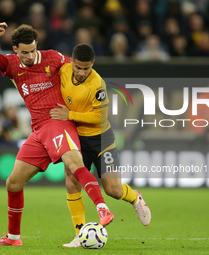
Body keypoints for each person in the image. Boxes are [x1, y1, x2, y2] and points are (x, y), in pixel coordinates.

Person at [0, 23, 114, 246]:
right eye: (24, 52)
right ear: (15, 49)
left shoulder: (53, 58)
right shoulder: (13, 64)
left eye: (33, 50)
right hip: (38, 131)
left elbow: (79, 69)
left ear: (37, 46)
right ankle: (14, 238)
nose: (29, 55)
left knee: (75, 166)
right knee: (13, 183)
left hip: (57, 123)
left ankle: (102, 208)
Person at [50, 44, 152, 248]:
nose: (81, 72)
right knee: (71, 183)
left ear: (92, 65)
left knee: (112, 190)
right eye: (78, 67)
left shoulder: (97, 84)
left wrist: (69, 115)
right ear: (71, 61)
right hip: (76, 139)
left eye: (86, 68)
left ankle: (135, 197)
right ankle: (80, 234)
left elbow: (99, 117)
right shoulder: (63, 70)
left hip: (101, 140)